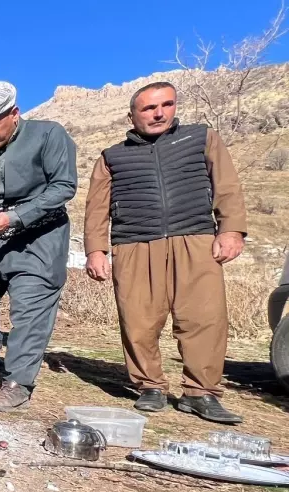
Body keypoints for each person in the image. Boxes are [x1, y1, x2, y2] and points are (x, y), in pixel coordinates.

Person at [83, 82, 246, 423]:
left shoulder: (201, 138)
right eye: (148, 108)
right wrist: (96, 250)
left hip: (196, 239)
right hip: (134, 243)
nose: (158, 113)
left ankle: (201, 392)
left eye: (166, 105)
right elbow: (96, 209)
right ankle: (150, 387)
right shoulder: (112, 156)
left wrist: (231, 229)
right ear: (131, 115)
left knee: (204, 317)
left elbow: (227, 186)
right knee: (138, 319)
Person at [0, 81, 78, 412]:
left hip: (40, 239)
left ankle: (17, 384)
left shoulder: (49, 135)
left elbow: (63, 187)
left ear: (14, 113)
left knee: (29, 313)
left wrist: (16, 217)